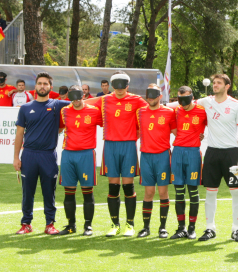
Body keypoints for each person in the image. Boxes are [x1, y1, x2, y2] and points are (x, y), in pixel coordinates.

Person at [84, 72, 148, 237]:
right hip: (110, 146)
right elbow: (82, 103)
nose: (120, 90)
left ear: (128, 85)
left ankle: (130, 225)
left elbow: (151, 111)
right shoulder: (104, 100)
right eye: (116, 87)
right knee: (113, 186)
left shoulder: (136, 100)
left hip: (128, 146)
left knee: (128, 186)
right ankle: (114, 224)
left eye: (123, 86)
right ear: (112, 86)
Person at [196, 74, 238, 243]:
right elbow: (186, 103)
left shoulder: (236, 105)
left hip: (231, 154)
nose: (215, 85)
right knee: (210, 192)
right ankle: (210, 228)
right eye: (214, 83)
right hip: (212, 152)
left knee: (235, 192)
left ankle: (236, 230)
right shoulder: (206, 101)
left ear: (227, 86)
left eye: (218, 83)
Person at [12, 72, 71, 234]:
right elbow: (19, 134)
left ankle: (49, 224)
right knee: (27, 192)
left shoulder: (57, 105)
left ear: (51, 87)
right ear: (35, 87)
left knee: (49, 192)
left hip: (48, 156)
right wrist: (16, 157)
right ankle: (26, 224)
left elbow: (78, 102)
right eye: (40, 83)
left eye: (46, 84)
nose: (42, 86)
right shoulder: (25, 108)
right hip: (29, 155)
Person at [57, 85, 102, 235]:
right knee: (68, 192)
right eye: (72, 98)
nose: (75, 101)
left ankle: (88, 226)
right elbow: (59, 128)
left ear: (83, 95)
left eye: (78, 97)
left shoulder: (94, 111)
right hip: (68, 154)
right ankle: (71, 225)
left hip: (86, 154)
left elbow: (107, 124)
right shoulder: (64, 111)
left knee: (87, 192)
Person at [136, 85, 177, 238]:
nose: (151, 98)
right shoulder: (140, 112)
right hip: (146, 156)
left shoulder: (169, 112)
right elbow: (135, 131)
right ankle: (146, 228)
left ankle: (163, 227)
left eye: (154, 95)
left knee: (162, 192)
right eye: (148, 95)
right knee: (148, 192)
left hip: (163, 156)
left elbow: (177, 133)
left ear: (160, 96)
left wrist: (197, 135)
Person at [167, 86, 207, 239]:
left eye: (185, 98)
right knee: (179, 192)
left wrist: (198, 136)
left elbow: (215, 126)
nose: (183, 102)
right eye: (180, 98)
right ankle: (181, 228)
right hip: (177, 152)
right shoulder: (176, 111)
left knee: (193, 191)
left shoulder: (202, 111)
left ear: (192, 96)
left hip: (193, 153)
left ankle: (192, 228)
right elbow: (173, 128)